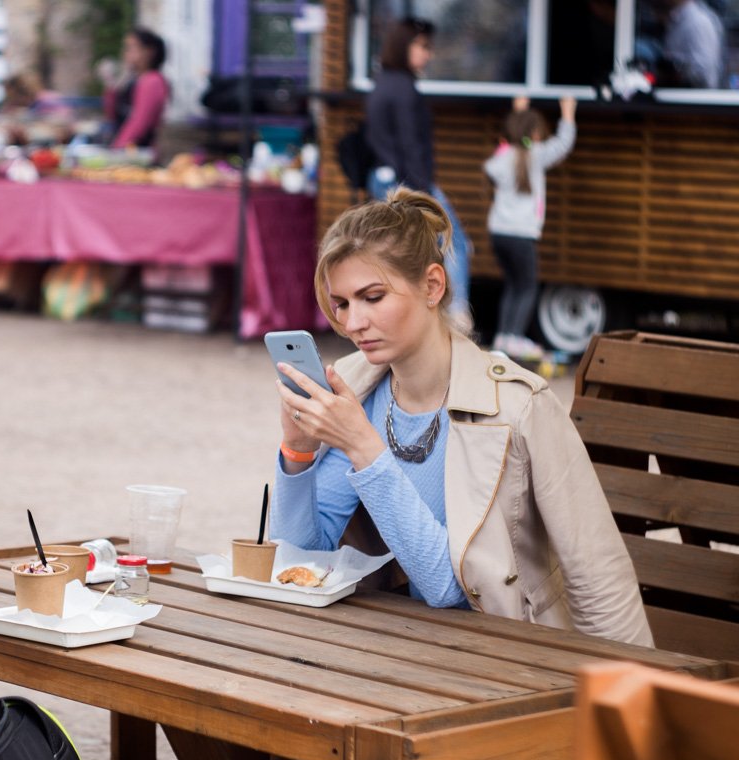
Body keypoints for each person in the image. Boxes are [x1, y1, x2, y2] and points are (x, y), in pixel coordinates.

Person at [269, 188, 652, 650]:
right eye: (342, 304)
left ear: (433, 286)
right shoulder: (356, 388)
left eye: (372, 297)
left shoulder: (518, 406)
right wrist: (297, 452)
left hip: (504, 658)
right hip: (391, 653)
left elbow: (458, 588)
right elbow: (299, 560)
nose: (353, 323)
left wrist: (641, 699)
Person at [364, 17, 473, 333]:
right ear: (404, 45)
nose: (429, 54)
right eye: (423, 46)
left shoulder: (380, 85)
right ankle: (457, 315)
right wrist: (424, 191)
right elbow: (412, 144)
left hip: (382, 180)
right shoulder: (405, 90)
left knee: (395, 253)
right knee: (454, 241)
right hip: (410, 182)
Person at [485, 96, 577, 360]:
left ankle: (504, 337)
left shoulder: (504, 155)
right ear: (536, 133)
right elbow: (563, 144)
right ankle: (513, 338)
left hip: (499, 233)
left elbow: (503, 151)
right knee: (526, 286)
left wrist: (519, 112)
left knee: (513, 285)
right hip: (522, 235)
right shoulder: (536, 155)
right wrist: (568, 113)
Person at [103, 27, 170, 150]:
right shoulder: (133, 80)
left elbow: (140, 123)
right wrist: (112, 87)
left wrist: (117, 149)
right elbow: (112, 116)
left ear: (149, 51)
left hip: (138, 153)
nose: (125, 53)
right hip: (127, 149)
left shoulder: (152, 81)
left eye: (130, 48)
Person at [657, 0, 725, 88]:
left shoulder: (697, 22)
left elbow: (703, 73)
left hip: (696, 96)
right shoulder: (677, 19)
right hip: (680, 94)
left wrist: (674, 66)